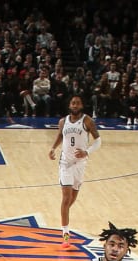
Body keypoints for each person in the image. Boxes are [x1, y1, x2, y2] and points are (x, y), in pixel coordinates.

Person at [49, 96, 99, 243]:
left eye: (78, 103)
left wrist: (87, 152)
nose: (75, 105)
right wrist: (53, 148)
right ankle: (65, 233)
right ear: (69, 105)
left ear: (82, 105)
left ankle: (63, 214)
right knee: (66, 198)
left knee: (72, 198)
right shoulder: (62, 121)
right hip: (65, 163)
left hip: (80, 164)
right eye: (73, 103)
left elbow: (98, 141)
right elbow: (60, 135)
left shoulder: (87, 121)